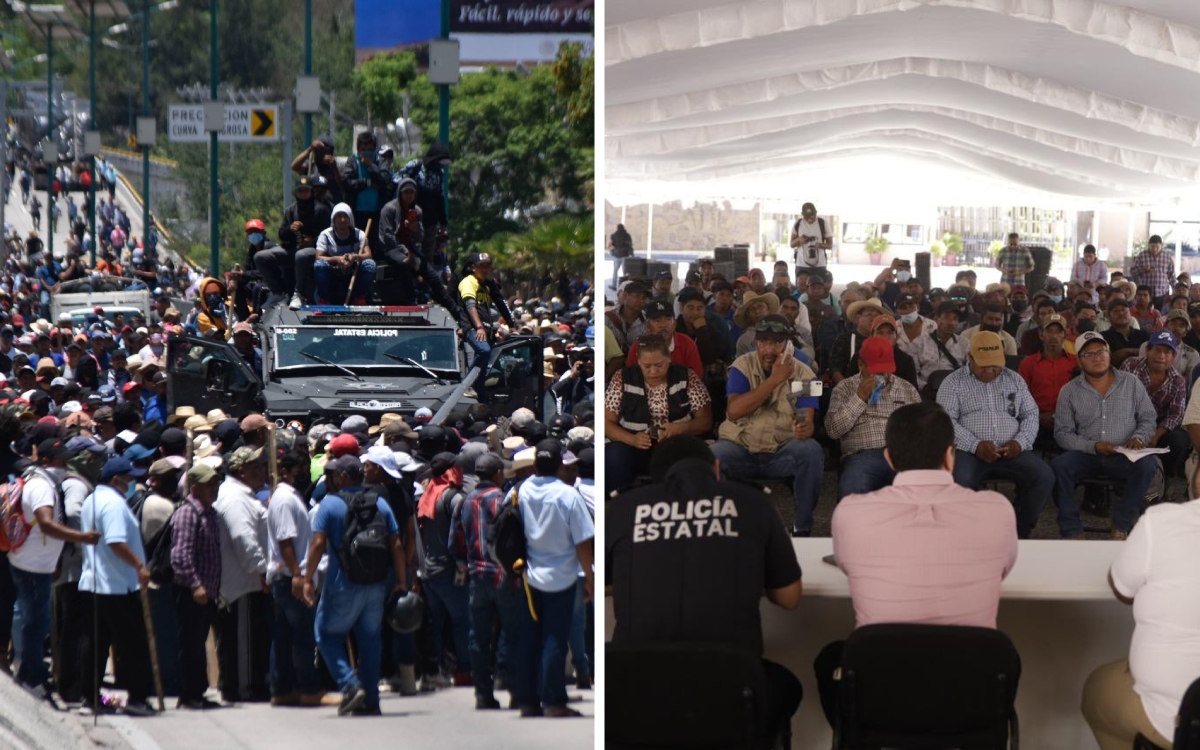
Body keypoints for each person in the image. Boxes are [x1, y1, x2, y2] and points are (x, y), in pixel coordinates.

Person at [814, 401, 1018, 725]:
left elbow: (847, 564)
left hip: (881, 700)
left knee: (831, 659)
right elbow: (1003, 569)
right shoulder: (998, 510)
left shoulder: (851, 512)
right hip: (968, 699)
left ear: (889, 458)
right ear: (951, 456)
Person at [607, 435, 803, 745]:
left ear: (655, 478)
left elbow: (603, 585)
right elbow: (790, 598)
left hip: (639, 696)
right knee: (787, 685)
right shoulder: (753, 502)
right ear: (716, 467)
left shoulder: (621, 508)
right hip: (730, 694)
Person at [303, 455, 408, 717]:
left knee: (326, 635)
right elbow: (396, 544)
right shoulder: (380, 503)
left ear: (341, 477)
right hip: (375, 585)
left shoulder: (330, 505)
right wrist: (402, 580)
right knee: (370, 640)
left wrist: (306, 579)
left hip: (343, 584)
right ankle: (371, 700)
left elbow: (317, 545)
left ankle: (350, 686)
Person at [711, 315, 824, 537]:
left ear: (788, 345)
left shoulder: (806, 374)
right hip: (740, 448)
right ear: (755, 343)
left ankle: (802, 528)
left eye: (777, 343)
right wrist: (774, 380)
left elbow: (807, 421)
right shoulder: (741, 366)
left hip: (780, 451)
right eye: (764, 342)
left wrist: (804, 429)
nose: (769, 349)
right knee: (712, 455)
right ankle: (721, 529)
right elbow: (734, 411)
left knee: (811, 450)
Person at [937, 332, 1054, 538]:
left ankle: (1017, 531)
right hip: (968, 451)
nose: (991, 370)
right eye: (984, 365)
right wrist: (975, 445)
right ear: (969, 357)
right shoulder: (953, 382)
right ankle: (970, 535)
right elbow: (945, 422)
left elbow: (1031, 414)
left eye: (996, 364)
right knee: (960, 479)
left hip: (1012, 449)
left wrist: (1020, 442)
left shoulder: (1014, 379)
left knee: (1043, 475)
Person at [8, 438, 100, 698]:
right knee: (36, 622)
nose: (64, 465)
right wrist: (82, 537)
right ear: (46, 461)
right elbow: (47, 524)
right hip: (33, 564)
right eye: (60, 461)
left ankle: (30, 671)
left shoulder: (45, 482)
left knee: (36, 620)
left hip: (39, 562)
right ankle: (32, 677)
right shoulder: (41, 487)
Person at [1052, 332, 1159, 539]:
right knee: (1059, 466)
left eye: (1101, 351)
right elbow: (1062, 433)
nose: (1097, 358)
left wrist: (1138, 437)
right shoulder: (1069, 390)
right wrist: (1093, 446)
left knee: (1147, 466)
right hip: (1087, 454)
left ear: (1109, 354)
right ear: (1079, 361)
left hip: (1124, 454)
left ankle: (1122, 523)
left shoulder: (1131, 382)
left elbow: (1148, 417)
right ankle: (1071, 529)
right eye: (1089, 354)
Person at [518, 439, 594, 718]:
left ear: (536, 464)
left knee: (531, 639)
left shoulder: (522, 490)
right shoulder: (568, 495)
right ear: (560, 465)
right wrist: (589, 577)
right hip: (562, 577)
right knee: (554, 640)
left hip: (528, 576)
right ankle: (553, 701)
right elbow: (582, 542)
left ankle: (528, 700)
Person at [78, 456, 156, 717]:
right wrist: (139, 566)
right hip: (116, 586)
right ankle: (137, 699)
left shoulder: (92, 500)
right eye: (129, 478)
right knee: (133, 645)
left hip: (95, 583)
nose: (132, 482)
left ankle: (90, 697)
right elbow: (115, 541)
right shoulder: (112, 504)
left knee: (97, 644)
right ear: (116, 480)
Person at [605, 334, 712, 492]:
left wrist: (681, 428)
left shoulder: (687, 377)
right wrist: (632, 439)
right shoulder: (622, 378)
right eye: (646, 366)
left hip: (676, 443)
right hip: (633, 444)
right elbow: (606, 423)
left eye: (659, 365)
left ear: (669, 358)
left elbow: (705, 421)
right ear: (637, 360)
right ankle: (620, 503)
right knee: (615, 458)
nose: (653, 371)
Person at [825, 336, 921, 499]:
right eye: (876, 370)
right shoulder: (844, 388)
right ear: (860, 365)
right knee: (853, 489)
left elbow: (921, 428)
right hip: (862, 455)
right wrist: (859, 398)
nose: (883, 374)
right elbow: (833, 431)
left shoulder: (906, 388)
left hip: (901, 455)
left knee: (920, 488)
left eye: (887, 369)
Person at [213, 446, 271, 703]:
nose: (262, 471)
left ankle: (241, 685)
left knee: (246, 637)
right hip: (244, 584)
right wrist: (261, 570)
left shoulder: (243, 495)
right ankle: (246, 688)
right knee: (244, 638)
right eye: (255, 466)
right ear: (240, 471)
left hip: (246, 581)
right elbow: (243, 539)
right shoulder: (236, 498)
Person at [416, 452, 472, 687]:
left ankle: (434, 671)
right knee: (461, 622)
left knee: (436, 623)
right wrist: (462, 561)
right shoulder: (454, 498)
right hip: (450, 570)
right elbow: (459, 535)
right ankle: (464, 671)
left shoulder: (429, 493)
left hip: (429, 570)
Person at [172, 463, 223, 710]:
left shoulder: (209, 512)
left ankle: (197, 692)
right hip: (193, 592)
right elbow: (180, 555)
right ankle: (189, 695)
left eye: (215, 484)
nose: (214, 488)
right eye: (209, 485)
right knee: (190, 644)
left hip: (208, 592)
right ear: (194, 488)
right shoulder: (188, 513)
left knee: (198, 642)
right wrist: (195, 585)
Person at [1119, 330, 1190, 485]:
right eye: (1157, 349)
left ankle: (1166, 475)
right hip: (1129, 421)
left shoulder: (1177, 380)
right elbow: (1119, 400)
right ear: (1147, 350)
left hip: (1159, 427)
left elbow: (1176, 414)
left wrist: (1156, 435)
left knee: (1180, 440)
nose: (1161, 356)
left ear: (1173, 357)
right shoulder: (1130, 365)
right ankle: (1123, 478)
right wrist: (1139, 433)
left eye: (1167, 352)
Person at [458, 252, 515, 403]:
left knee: (482, 374)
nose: (485, 269)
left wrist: (512, 324)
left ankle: (483, 405)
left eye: (487, 266)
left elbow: (501, 303)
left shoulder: (488, 283)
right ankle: (467, 385)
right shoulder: (468, 282)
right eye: (481, 266)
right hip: (472, 327)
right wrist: (479, 327)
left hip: (487, 329)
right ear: (473, 267)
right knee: (484, 350)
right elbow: (470, 306)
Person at [1017, 313, 1077, 441]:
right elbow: (1020, 396)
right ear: (1041, 335)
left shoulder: (1076, 362)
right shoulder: (1028, 363)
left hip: (1070, 422)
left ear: (1065, 335)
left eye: (1058, 332)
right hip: (1035, 421)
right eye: (1049, 331)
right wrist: (1038, 416)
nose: (1054, 336)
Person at [280, 176, 332, 309]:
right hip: (293, 248)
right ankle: (278, 293)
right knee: (262, 257)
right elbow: (281, 235)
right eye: (300, 191)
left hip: (315, 250)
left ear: (311, 192)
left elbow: (330, 235)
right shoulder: (291, 210)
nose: (303, 194)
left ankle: (299, 294)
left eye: (306, 191)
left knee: (301, 256)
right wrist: (290, 229)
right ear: (296, 193)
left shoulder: (321, 210)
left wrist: (313, 241)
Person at [624, 300, 704, 380]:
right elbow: (631, 378)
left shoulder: (687, 344)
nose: (663, 325)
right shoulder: (638, 346)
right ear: (647, 325)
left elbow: (696, 377)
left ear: (674, 323)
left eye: (668, 319)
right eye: (657, 320)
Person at [314, 203, 375, 305]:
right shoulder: (326, 235)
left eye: (345, 216)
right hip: (333, 273)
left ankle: (359, 298)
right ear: (333, 219)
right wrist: (337, 259)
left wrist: (355, 257)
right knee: (319, 265)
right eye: (339, 216)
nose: (342, 220)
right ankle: (323, 300)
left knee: (370, 264)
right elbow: (318, 257)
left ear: (350, 218)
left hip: (353, 273)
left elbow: (369, 255)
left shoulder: (359, 234)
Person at [910, 301, 971, 392]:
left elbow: (970, 372)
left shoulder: (965, 344)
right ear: (936, 319)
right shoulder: (919, 343)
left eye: (955, 318)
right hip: (927, 392)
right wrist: (924, 388)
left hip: (956, 391)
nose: (951, 322)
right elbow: (912, 373)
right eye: (947, 317)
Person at [1102, 298, 1151, 368]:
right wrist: (1139, 351)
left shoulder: (1144, 334)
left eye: (1124, 310)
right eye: (1116, 311)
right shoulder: (1103, 337)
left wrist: (1126, 352)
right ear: (1109, 316)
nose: (1121, 313)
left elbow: (1151, 353)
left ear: (1130, 314)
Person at [1129, 235, 1174, 303]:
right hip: (1145, 293)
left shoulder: (1167, 257)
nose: (1154, 249)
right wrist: (1143, 270)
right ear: (1148, 245)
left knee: (1161, 313)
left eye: (1157, 247)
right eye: (1152, 246)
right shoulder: (1142, 255)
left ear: (1161, 246)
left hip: (1163, 292)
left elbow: (1171, 274)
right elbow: (1132, 271)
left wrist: (1174, 289)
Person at [791, 201, 831, 270]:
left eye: (813, 216)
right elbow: (791, 245)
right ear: (803, 215)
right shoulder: (798, 223)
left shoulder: (823, 223)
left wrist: (820, 245)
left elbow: (830, 245)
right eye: (807, 216)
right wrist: (799, 240)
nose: (810, 218)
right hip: (801, 266)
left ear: (816, 213)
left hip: (819, 265)